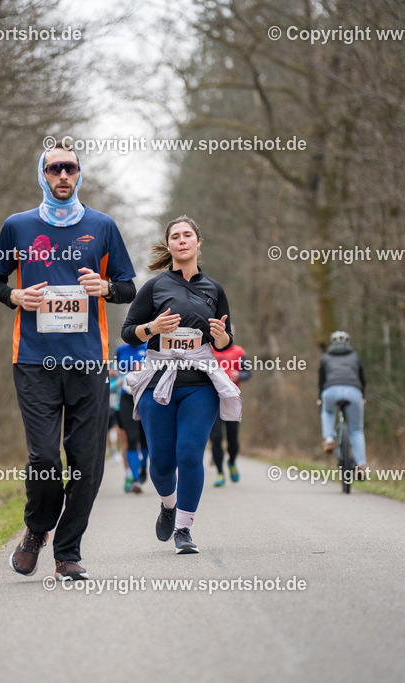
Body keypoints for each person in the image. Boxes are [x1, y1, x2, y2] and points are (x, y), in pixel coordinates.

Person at [0, 142, 137, 581]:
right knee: (44, 460)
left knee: (86, 463)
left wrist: (105, 288)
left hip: (89, 362)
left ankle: (67, 552)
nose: (63, 175)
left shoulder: (102, 226)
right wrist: (15, 295)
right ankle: (36, 531)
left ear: (79, 174)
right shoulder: (17, 227)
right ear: (43, 175)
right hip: (33, 360)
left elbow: (128, 286)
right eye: (54, 169)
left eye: (70, 168)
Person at [121, 216, 241, 554]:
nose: (182, 240)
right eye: (175, 236)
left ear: (198, 243)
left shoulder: (213, 290)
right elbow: (129, 331)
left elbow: (227, 341)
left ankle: (184, 529)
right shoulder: (154, 287)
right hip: (159, 381)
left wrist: (221, 338)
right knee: (160, 462)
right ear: (169, 245)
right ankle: (168, 505)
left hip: (199, 384)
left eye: (188, 235)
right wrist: (153, 328)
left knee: (189, 454)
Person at [317, 330, 367, 477]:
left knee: (327, 411)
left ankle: (329, 438)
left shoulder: (325, 357)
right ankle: (361, 465)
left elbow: (321, 380)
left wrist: (320, 397)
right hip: (354, 391)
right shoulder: (355, 356)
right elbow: (362, 378)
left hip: (331, 390)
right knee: (356, 429)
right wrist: (362, 396)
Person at [210, 328, 249, 486]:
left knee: (233, 440)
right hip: (213, 400)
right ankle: (220, 473)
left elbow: (248, 372)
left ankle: (232, 462)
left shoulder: (239, 351)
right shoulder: (208, 350)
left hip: (232, 400)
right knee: (216, 438)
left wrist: (238, 375)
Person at [115, 341, 149, 493]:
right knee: (131, 438)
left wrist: (143, 370)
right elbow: (117, 371)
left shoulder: (150, 347)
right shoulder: (121, 350)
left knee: (145, 439)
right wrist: (118, 378)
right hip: (126, 397)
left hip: (146, 396)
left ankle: (143, 467)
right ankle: (135, 478)